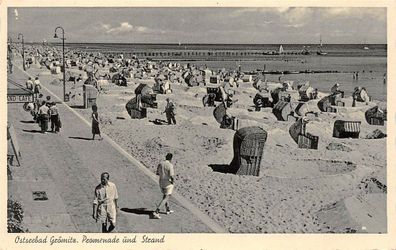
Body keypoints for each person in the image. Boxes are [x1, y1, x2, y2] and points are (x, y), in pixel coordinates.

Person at [153, 153, 175, 219]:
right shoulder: (170, 165)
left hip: (161, 182)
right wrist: (172, 181)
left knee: (165, 195)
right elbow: (171, 175)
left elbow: (157, 173)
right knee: (166, 197)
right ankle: (157, 211)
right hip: (167, 183)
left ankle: (167, 209)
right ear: (171, 158)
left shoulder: (160, 163)